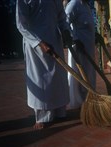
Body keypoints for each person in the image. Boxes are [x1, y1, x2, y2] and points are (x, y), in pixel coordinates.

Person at [16, 0, 73, 129]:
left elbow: (61, 17)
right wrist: (39, 43)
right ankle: (41, 116)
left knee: (58, 78)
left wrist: (65, 30)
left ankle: (59, 111)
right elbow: (21, 25)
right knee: (40, 79)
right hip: (35, 44)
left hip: (55, 40)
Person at [65, 0, 96, 109]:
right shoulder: (74, 4)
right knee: (80, 74)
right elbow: (65, 23)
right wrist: (75, 39)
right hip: (79, 47)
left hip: (89, 47)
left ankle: (89, 99)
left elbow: (88, 24)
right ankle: (80, 103)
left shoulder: (86, 6)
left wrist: (96, 34)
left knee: (89, 73)